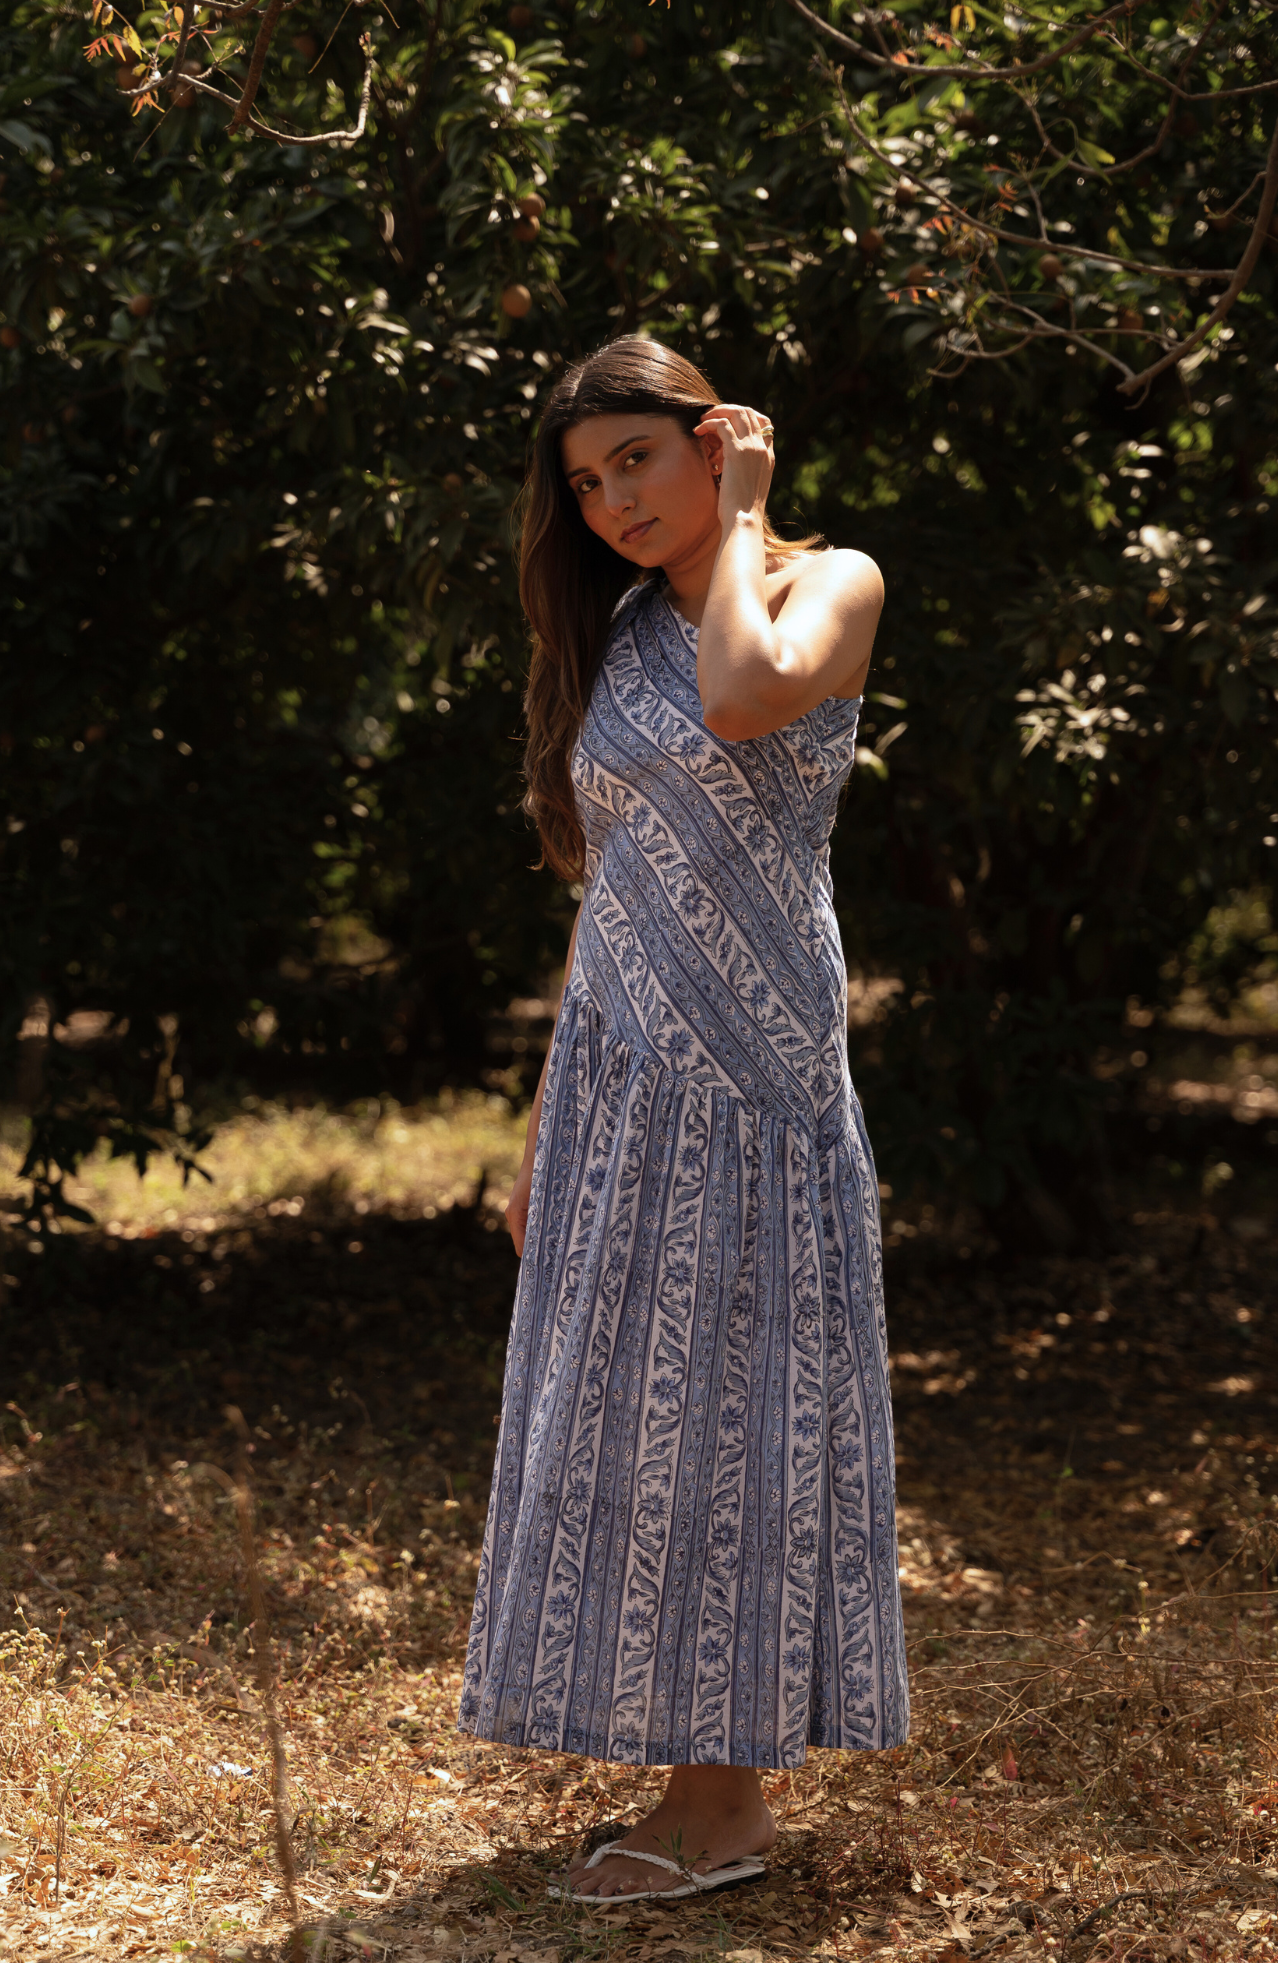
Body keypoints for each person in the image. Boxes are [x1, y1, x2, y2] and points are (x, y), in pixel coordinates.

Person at [457, 336, 908, 1900]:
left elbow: (744, 695)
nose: (611, 504)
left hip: (753, 1085)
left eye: (636, 459)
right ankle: (690, 1782)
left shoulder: (826, 582)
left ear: (714, 439)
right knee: (637, 1433)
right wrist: (544, 1129)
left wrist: (751, 512)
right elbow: (610, 886)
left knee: (735, 1426)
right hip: (623, 1077)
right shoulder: (626, 624)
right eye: (587, 485)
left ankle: (726, 1813)